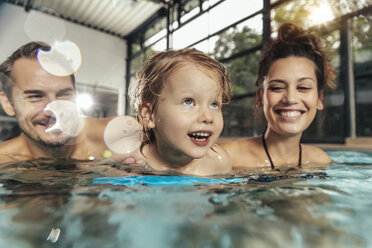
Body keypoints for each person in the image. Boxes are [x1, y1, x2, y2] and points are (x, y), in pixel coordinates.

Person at [220, 23, 336, 170]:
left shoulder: (320, 160)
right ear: (260, 98)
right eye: (277, 88)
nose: (290, 98)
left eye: (303, 87)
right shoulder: (225, 158)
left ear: (320, 99)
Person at [0, 41, 118, 163]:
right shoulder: (4, 161)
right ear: (8, 103)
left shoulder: (116, 136)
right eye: (35, 96)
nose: (54, 110)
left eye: (64, 95)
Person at [129, 48, 232, 176]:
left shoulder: (218, 163)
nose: (208, 116)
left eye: (214, 104)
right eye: (188, 102)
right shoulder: (134, 161)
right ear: (149, 115)